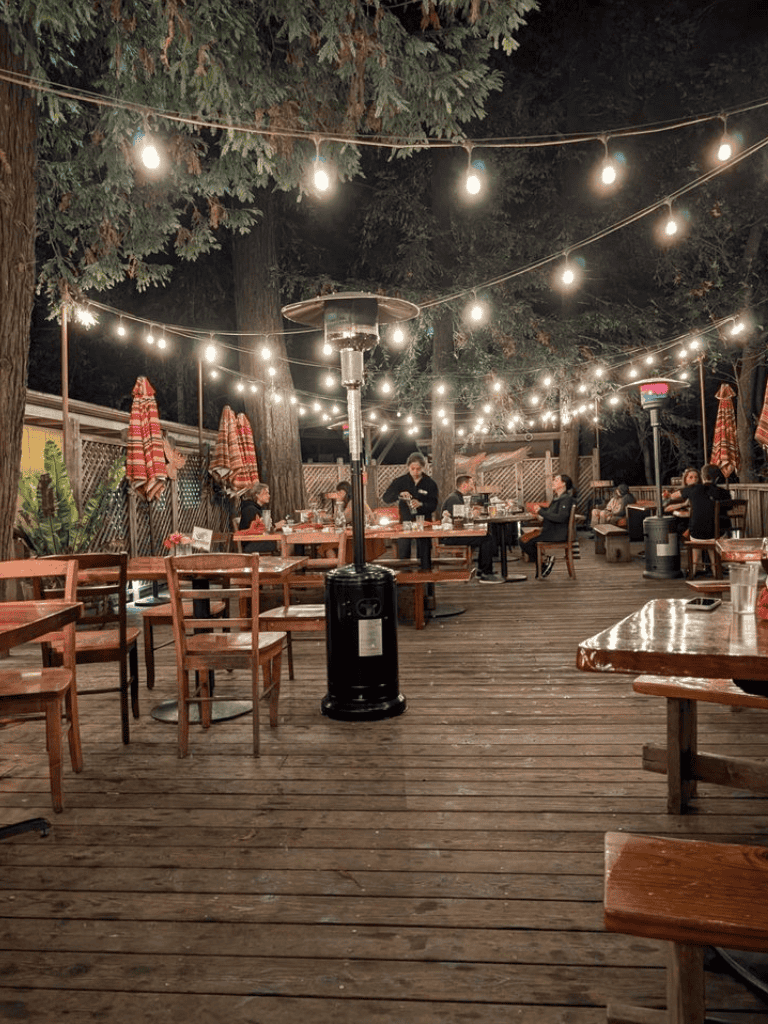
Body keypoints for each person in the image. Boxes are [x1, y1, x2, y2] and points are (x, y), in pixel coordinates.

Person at [664, 464, 731, 575]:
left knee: (696, 535)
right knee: (714, 537)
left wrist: (668, 496)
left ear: (702, 476)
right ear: (718, 478)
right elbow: (729, 508)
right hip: (716, 534)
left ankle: (693, 569)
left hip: (697, 533)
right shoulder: (724, 492)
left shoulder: (692, 489)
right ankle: (715, 571)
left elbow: (672, 496)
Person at [441, 475, 503, 584]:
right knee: (487, 539)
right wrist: (471, 514)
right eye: (471, 483)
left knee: (486, 536)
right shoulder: (454, 498)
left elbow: (459, 518)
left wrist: (471, 513)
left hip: (456, 533)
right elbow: (458, 521)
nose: (473, 486)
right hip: (451, 537)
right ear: (464, 485)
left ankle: (481, 570)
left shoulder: (457, 496)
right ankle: (485, 573)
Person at [381, 452, 439, 564]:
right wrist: (399, 495)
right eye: (413, 469)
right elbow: (386, 498)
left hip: (423, 522)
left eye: (418, 469)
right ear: (408, 467)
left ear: (423, 467)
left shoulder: (430, 483)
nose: (415, 472)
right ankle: (404, 578)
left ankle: (425, 577)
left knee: (424, 554)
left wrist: (421, 504)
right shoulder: (400, 481)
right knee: (403, 552)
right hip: (405, 521)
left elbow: (434, 505)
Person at [519, 474, 575, 578]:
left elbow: (561, 518)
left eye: (556, 480)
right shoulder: (557, 498)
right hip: (549, 531)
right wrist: (539, 513)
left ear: (563, 484)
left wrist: (541, 511)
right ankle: (543, 564)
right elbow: (550, 514)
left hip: (556, 534)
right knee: (523, 539)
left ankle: (543, 563)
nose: (553, 482)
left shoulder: (566, 499)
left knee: (525, 541)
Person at [239, 482, 278, 554]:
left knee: (278, 543)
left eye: (268, 493)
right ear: (257, 495)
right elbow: (257, 530)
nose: (268, 496)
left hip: (257, 540)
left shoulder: (259, 509)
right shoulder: (250, 509)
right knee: (279, 544)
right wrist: (275, 526)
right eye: (266, 493)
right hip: (250, 543)